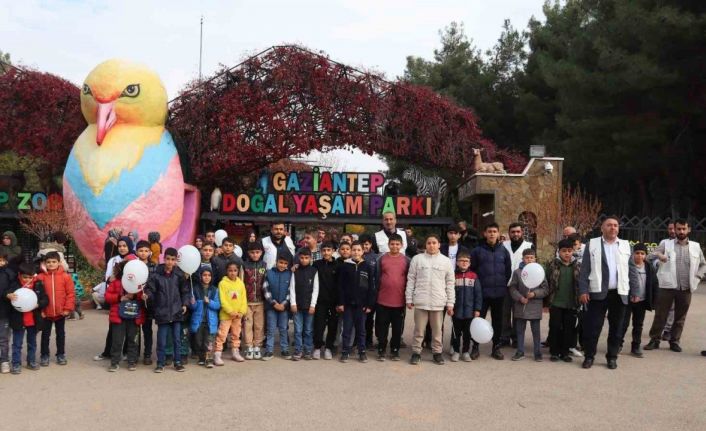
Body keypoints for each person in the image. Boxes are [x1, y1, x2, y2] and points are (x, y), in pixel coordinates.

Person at [644, 219, 706, 352]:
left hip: (686, 287)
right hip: (667, 286)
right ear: (675, 229)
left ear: (688, 230)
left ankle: (675, 341)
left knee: (680, 316)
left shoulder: (695, 246)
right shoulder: (666, 244)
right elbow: (649, 257)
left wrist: (698, 277)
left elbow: (703, 264)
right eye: (679, 229)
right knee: (661, 314)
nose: (681, 231)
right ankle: (654, 339)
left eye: (684, 229)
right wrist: (658, 255)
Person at [578, 216, 631, 370]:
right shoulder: (592, 244)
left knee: (617, 328)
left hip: (619, 293)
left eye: (615, 225)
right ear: (602, 228)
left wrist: (633, 292)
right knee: (593, 327)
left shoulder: (626, 245)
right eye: (609, 225)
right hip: (597, 293)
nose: (613, 228)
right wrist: (583, 290)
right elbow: (585, 270)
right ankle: (589, 356)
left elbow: (631, 269)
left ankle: (612, 357)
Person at [407, 234, 455, 365]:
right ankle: (416, 352)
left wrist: (450, 303)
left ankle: (437, 353)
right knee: (419, 330)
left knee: (437, 330)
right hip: (421, 301)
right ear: (425, 245)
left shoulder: (445, 261)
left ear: (439, 244)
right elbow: (411, 279)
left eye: (434, 243)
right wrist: (409, 298)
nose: (432, 245)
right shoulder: (417, 259)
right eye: (429, 243)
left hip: (438, 302)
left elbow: (450, 283)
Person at [144, 248, 190, 373]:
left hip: (176, 312)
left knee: (177, 339)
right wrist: (147, 295)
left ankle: (178, 362)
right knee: (162, 340)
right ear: (164, 259)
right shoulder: (156, 275)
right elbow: (150, 289)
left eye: (173, 260)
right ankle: (160, 363)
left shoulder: (179, 275)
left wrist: (185, 304)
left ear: (176, 261)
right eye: (168, 259)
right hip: (162, 312)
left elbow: (185, 291)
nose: (170, 262)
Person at [470, 223, 512, 360]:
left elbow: (508, 271)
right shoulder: (477, 251)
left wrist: (502, 286)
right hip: (482, 293)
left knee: (497, 322)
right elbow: (473, 271)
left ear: (499, 233)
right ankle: (475, 347)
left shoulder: (504, 251)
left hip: (499, 293)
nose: (492, 234)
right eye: (490, 231)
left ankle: (496, 347)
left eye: (495, 231)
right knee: (478, 320)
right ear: (485, 233)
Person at [94, 237, 135, 362]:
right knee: (113, 328)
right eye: (120, 246)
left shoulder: (134, 259)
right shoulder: (113, 260)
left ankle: (127, 353)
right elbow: (108, 278)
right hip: (117, 298)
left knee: (130, 329)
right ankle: (108, 352)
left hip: (130, 298)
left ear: (129, 246)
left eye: (125, 246)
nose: (122, 248)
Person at [6, 263, 49, 374]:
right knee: (17, 343)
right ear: (20, 275)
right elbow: (5, 294)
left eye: (30, 277)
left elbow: (45, 299)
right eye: (25, 277)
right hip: (18, 320)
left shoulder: (38, 285)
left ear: (33, 276)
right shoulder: (14, 285)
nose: (28, 280)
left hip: (33, 320)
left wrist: (38, 304)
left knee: (32, 342)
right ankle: (16, 363)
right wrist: (8, 295)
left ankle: (31, 361)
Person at [105, 258, 145, 372]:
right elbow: (107, 297)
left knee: (133, 340)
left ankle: (132, 361)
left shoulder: (139, 284)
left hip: (134, 316)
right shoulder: (116, 282)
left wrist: (138, 296)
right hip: (118, 316)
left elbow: (143, 297)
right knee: (117, 340)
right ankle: (114, 362)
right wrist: (119, 298)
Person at [337, 241, 375, 363]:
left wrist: (369, 304)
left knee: (361, 330)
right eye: (354, 250)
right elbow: (340, 286)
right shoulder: (345, 266)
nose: (356, 252)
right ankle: (345, 351)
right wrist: (341, 303)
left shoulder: (367, 266)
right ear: (350, 251)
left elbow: (371, 287)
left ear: (363, 252)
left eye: (359, 250)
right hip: (348, 305)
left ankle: (362, 352)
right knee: (347, 329)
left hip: (362, 306)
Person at [375, 233, 410, 361]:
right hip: (383, 300)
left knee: (397, 329)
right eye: (392, 244)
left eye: (397, 244)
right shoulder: (381, 259)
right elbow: (377, 277)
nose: (394, 246)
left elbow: (409, 279)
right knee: (382, 327)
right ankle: (381, 349)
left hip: (399, 301)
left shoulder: (407, 260)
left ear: (401, 245)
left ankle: (395, 350)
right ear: (388, 245)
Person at [619, 242, 658, 358]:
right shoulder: (627, 266)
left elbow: (654, 283)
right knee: (623, 323)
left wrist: (653, 299)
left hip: (641, 300)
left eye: (642, 253)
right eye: (637, 253)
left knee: (638, 324)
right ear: (632, 254)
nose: (639, 256)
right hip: (628, 300)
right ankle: (618, 345)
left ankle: (636, 346)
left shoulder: (648, 267)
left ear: (645, 255)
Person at [37, 251, 75, 367]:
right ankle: (44, 355)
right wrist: (41, 311)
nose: (51, 264)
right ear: (45, 263)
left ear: (59, 262)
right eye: (48, 262)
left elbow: (70, 294)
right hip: (46, 313)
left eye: (54, 262)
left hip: (60, 312)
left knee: (60, 335)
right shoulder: (40, 277)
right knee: (45, 335)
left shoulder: (65, 277)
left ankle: (60, 354)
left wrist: (67, 308)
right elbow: (37, 295)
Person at [509, 249, 548, 362]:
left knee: (536, 332)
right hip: (521, 306)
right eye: (527, 257)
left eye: (531, 257)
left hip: (535, 306)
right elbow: (512, 288)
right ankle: (520, 351)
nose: (529, 260)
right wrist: (520, 297)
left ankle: (537, 353)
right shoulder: (517, 272)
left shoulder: (540, 271)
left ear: (535, 259)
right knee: (520, 331)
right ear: (522, 259)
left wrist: (534, 293)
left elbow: (545, 289)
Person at [546, 239, 581, 362]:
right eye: (564, 251)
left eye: (569, 251)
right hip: (556, 302)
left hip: (571, 302)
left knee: (569, 329)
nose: (567, 253)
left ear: (573, 251)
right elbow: (546, 281)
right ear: (559, 252)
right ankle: (554, 352)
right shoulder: (552, 264)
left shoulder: (577, 266)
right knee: (555, 327)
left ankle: (565, 352)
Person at [501, 222, 534, 348]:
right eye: (513, 232)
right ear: (509, 233)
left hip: (520, 287)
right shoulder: (503, 245)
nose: (515, 234)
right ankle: (504, 337)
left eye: (518, 231)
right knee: (504, 313)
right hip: (505, 285)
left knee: (518, 314)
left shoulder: (529, 245)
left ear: (522, 233)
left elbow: (533, 266)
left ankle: (516, 338)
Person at [450, 251, 482, 362]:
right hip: (456, 311)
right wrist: (450, 307)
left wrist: (477, 309)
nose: (464, 263)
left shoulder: (473, 276)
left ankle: (465, 352)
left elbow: (478, 294)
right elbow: (449, 292)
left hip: (469, 311)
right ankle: (456, 351)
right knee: (456, 333)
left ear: (469, 263)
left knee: (467, 333)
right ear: (457, 262)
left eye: (466, 261)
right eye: (461, 261)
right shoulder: (453, 275)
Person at [214, 262, 247, 365]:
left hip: (238, 315)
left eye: (235, 270)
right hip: (226, 315)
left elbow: (243, 299)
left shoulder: (240, 283)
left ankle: (235, 352)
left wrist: (242, 311)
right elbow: (222, 300)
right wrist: (230, 311)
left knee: (236, 334)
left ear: (238, 271)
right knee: (222, 334)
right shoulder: (222, 283)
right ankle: (217, 354)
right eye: (230, 270)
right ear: (227, 271)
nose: (232, 273)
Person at [289, 248, 319, 361]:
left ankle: (307, 350)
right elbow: (292, 288)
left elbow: (316, 289)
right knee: (298, 330)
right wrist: (293, 303)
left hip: (309, 306)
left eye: (306, 258)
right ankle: (298, 350)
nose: (304, 260)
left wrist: (313, 305)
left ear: (310, 258)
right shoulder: (295, 271)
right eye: (302, 258)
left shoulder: (314, 271)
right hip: (297, 306)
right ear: (298, 258)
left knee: (308, 330)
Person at [649, 222, 676, 341]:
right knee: (662, 307)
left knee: (673, 307)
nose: (673, 231)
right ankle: (658, 331)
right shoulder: (664, 242)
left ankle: (668, 330)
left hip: (679, 281)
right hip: (664, 279)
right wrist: (658, 262)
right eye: (670, 229)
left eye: (674, 228)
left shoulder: (688, 244)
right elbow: (651, 256)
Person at [188, 266, 221, 367]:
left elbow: (218, 305)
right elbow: (192, 307)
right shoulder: (195, 289)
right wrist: (194, 303)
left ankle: (209, 359)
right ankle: (202, 358)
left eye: (209, 275)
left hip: (210, 321)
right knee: (199, 341)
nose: (207, 277)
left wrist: (209, 302)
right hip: (199, 321)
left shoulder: (215, 290)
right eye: (204, 275)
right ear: (200, 276)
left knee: (209, 341)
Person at [262, 254, 293, 360]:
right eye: (281, 262)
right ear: (276, 262)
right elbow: (266, 289)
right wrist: (274, 303)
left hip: (284, 307)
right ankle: (269, 350)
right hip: (271, 307)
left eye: (285, 263)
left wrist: (284, 304)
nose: (282, 265)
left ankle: (284, 349)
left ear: (288, 265)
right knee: (270, 329)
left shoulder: (290, 274)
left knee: (283, 329)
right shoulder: (269, 273)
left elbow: (290, 291)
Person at [313, 241, 339, 360]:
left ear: (333, 251)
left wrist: (339, 302)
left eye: (329, 250)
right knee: (319, 325)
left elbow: (341, 285)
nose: (326, 252)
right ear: (321, 251)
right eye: (324, 250)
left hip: (334, 302)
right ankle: (317, 347)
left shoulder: (338, 265)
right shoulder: (316, 264)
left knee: (333, 326)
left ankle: (328, 347)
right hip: (320, 301)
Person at [241, 241, 267, 360]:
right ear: (248, 253)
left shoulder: (264, 265)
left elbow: (267, 283)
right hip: (247, 301)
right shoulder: (244, 265)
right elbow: (241, 283)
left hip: (260, 301)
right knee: (247, 325)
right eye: (252, 252)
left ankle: (257, 346)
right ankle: (249, 346)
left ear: (261, 253)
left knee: (259, 325)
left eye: (257, 252)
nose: (255, 255)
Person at [134, 240, 157, 364]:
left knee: (147, 329)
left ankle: (147, 354)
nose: (143, 253)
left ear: (150, 252)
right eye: (141, 251)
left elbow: (156, 284)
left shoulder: (154, 267)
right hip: (136, 302)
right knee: (135, 329)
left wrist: (148, 294)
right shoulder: (132, 265)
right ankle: (134, 354)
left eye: (146, 251)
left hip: (149, 303)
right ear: (136, 252)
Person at [359, 234, 379, 350]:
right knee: (359, 319)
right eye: (363, 244)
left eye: (366, 244)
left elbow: (378, 276)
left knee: (369, 319)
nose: (364, 246)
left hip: (371, 293)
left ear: (370, 244)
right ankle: (357, 341)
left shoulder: (376, 258)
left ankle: (369, 341)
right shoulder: (356, 255)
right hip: (359, 293)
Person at [0, 258, 15, 373]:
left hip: (3, 311)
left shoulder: (9, 273)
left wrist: (7, 294)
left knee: (4, 338)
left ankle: (4, 360)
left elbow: (14, 287)